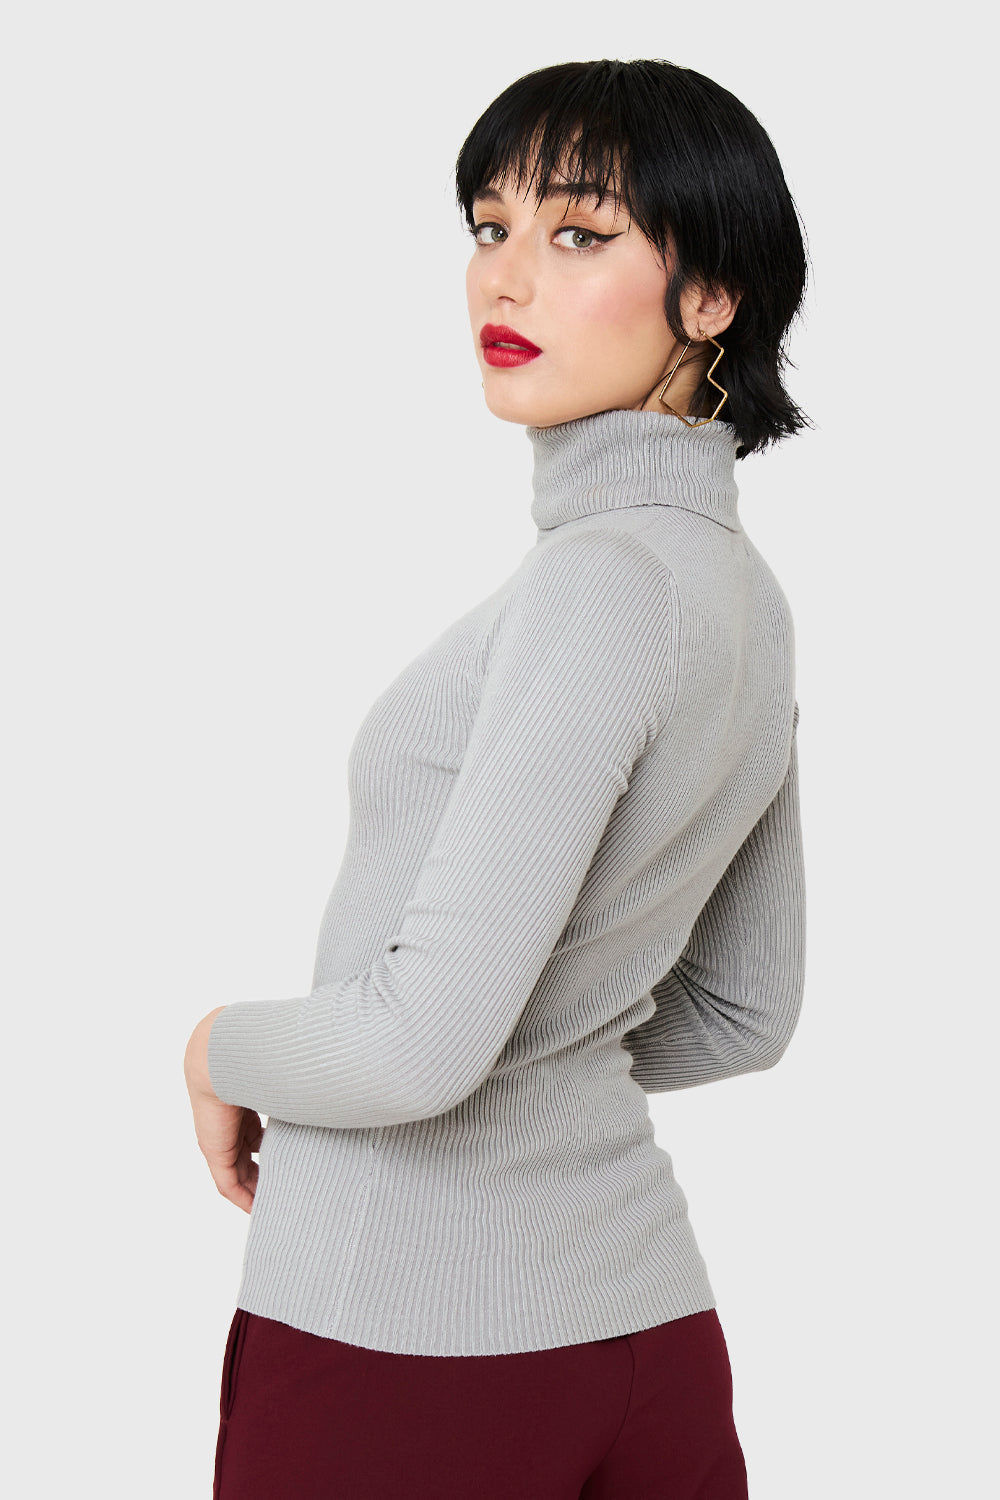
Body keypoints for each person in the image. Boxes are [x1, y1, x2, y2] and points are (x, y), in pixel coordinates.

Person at [184, 56, 809, 1500]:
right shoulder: (746, 598)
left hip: (409, 1347)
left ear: (713, 295)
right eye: (489, 226)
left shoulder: (598, 587)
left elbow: (419, 1047)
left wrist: (218, 1047)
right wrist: (530, 1050)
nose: (506, 277)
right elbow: (746, 1008)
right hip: (645, 1334)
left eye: (580, 233)